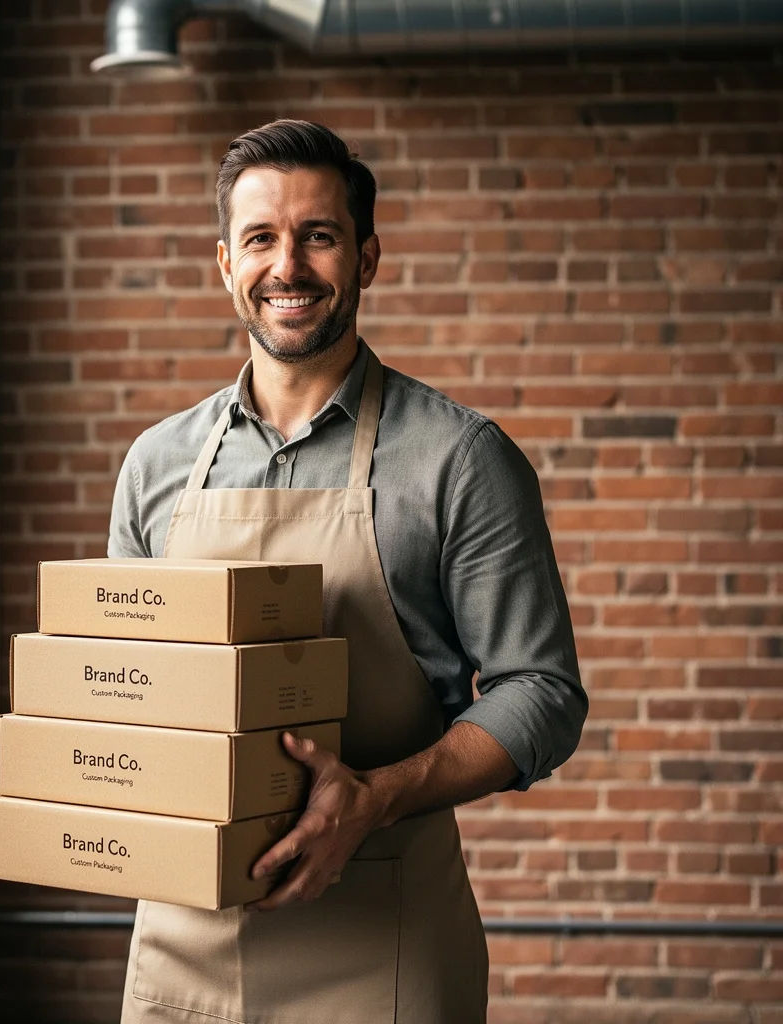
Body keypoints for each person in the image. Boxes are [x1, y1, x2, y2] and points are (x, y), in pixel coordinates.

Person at [109, 119, 587, 1024]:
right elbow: (129, 692)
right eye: (260, 238)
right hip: (186, 946)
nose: (287, 266)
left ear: (367, 259)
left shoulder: (459, 459)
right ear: (224, 263)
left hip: (384, 940)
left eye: (318, 236)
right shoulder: (156, 463)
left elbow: (543, 691)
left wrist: (370, 799)